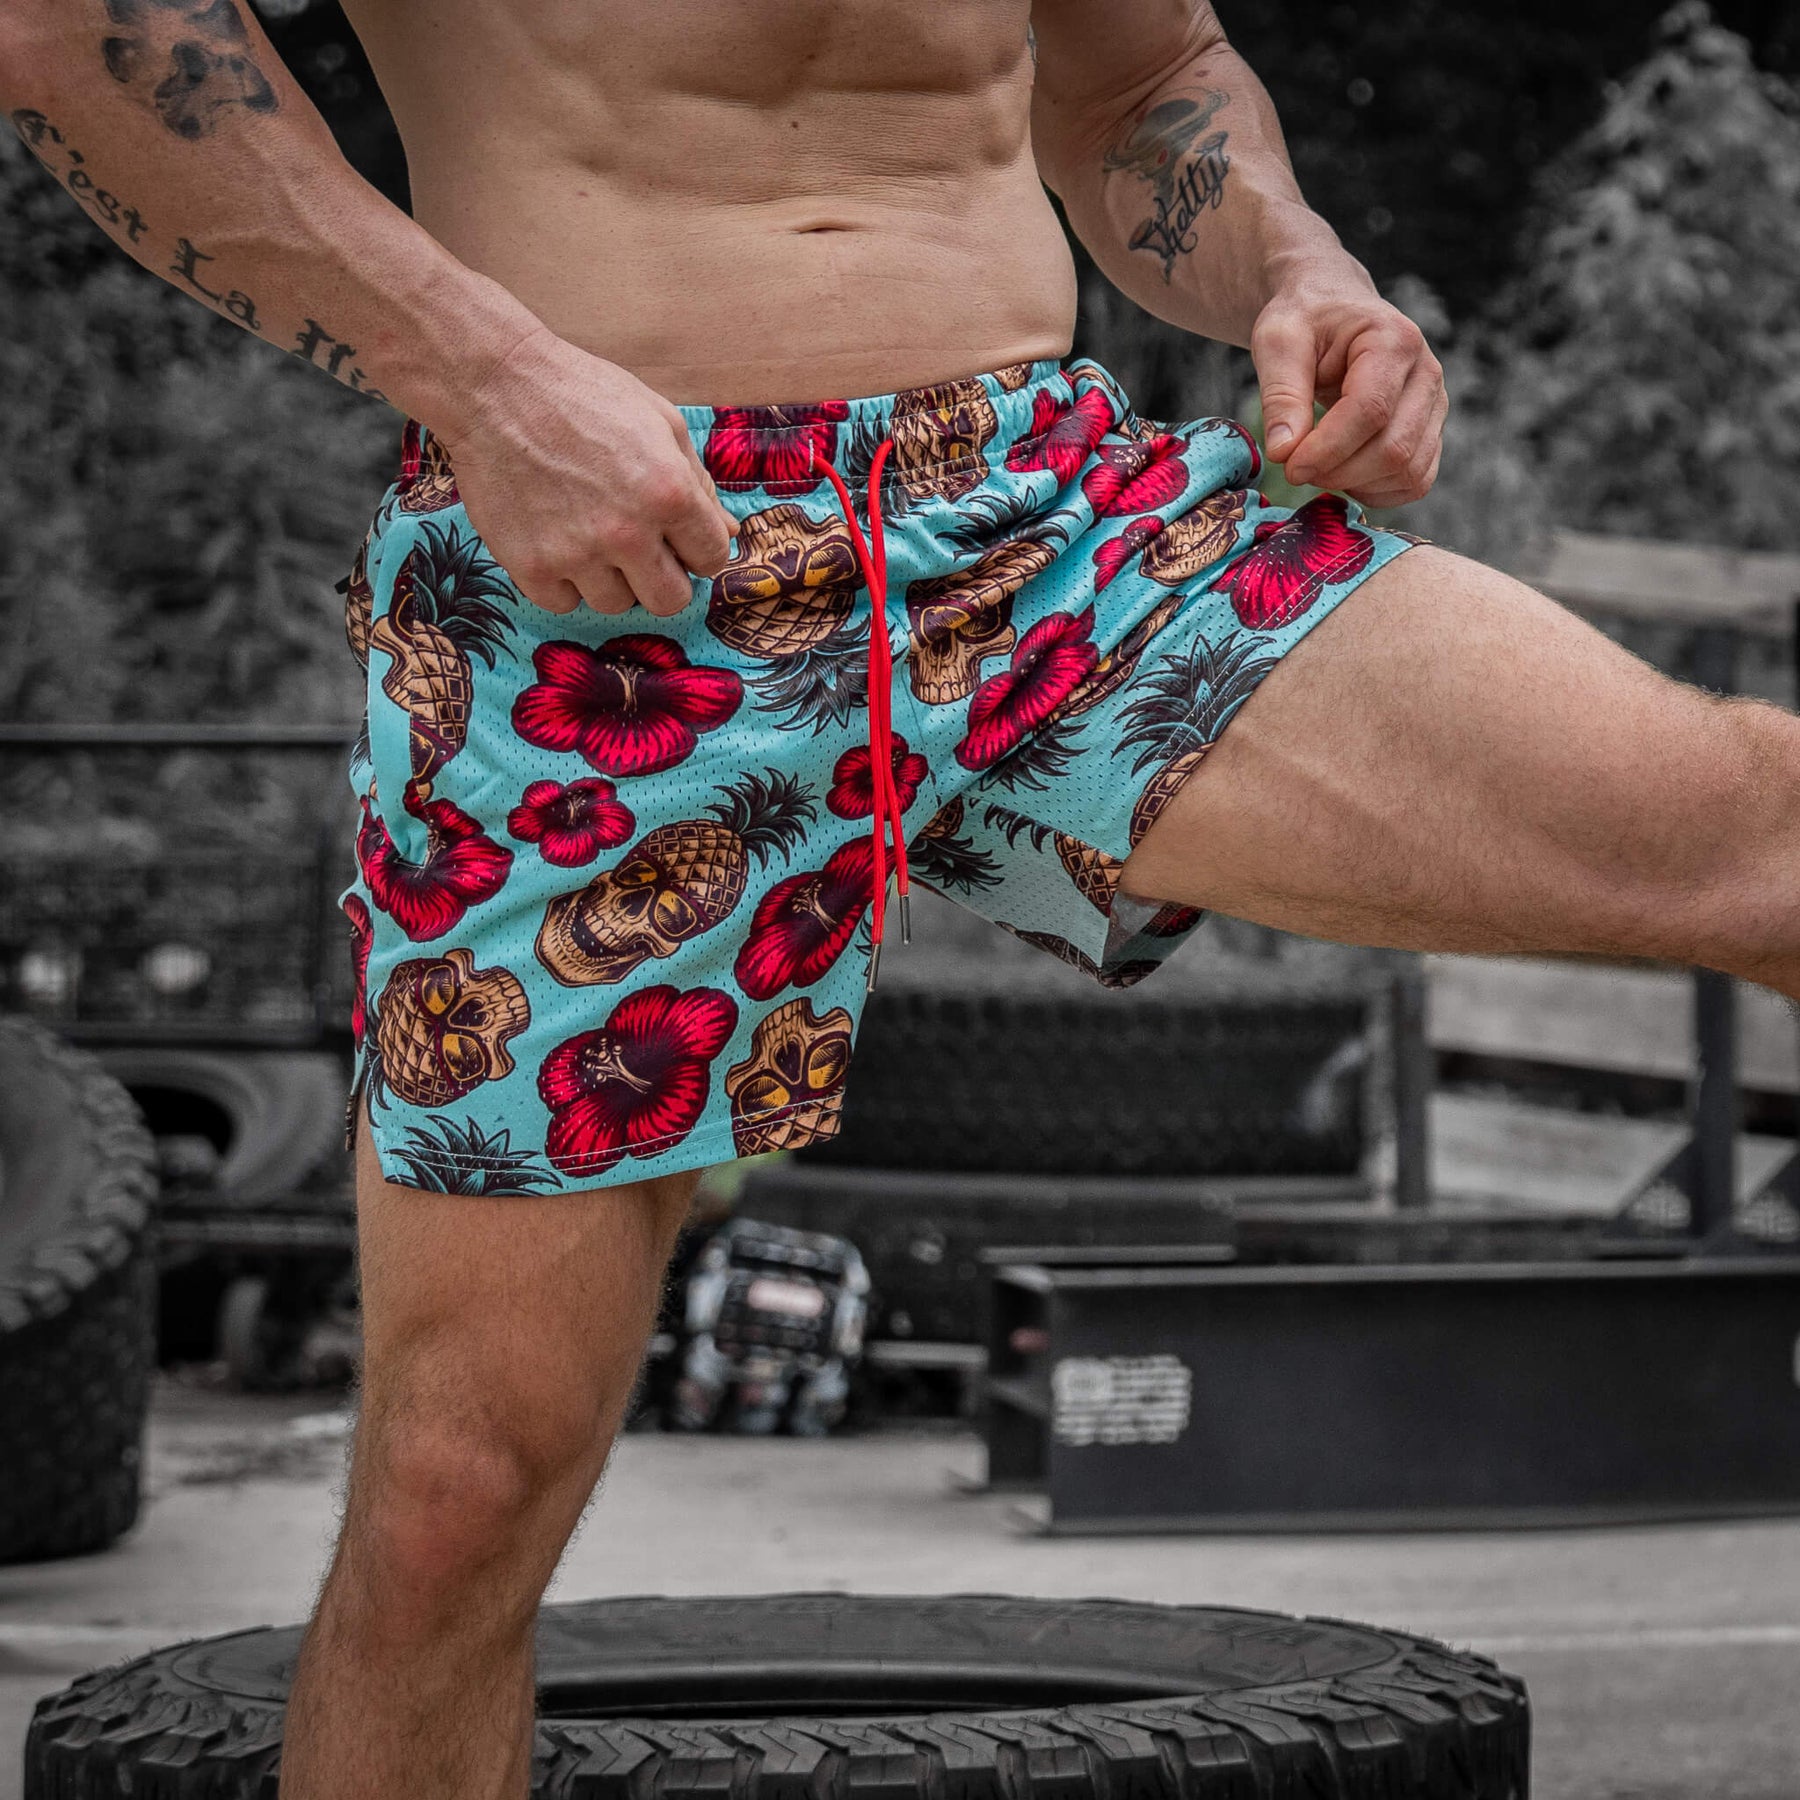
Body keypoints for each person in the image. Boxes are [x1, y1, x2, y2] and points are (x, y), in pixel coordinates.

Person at [5, 3, 1796, 1794]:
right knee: (454, 1496)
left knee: (1767, 848)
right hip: (601, 582)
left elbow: (1143, 76)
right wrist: (480, 378)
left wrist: (1298, 266)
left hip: (1041, 519)